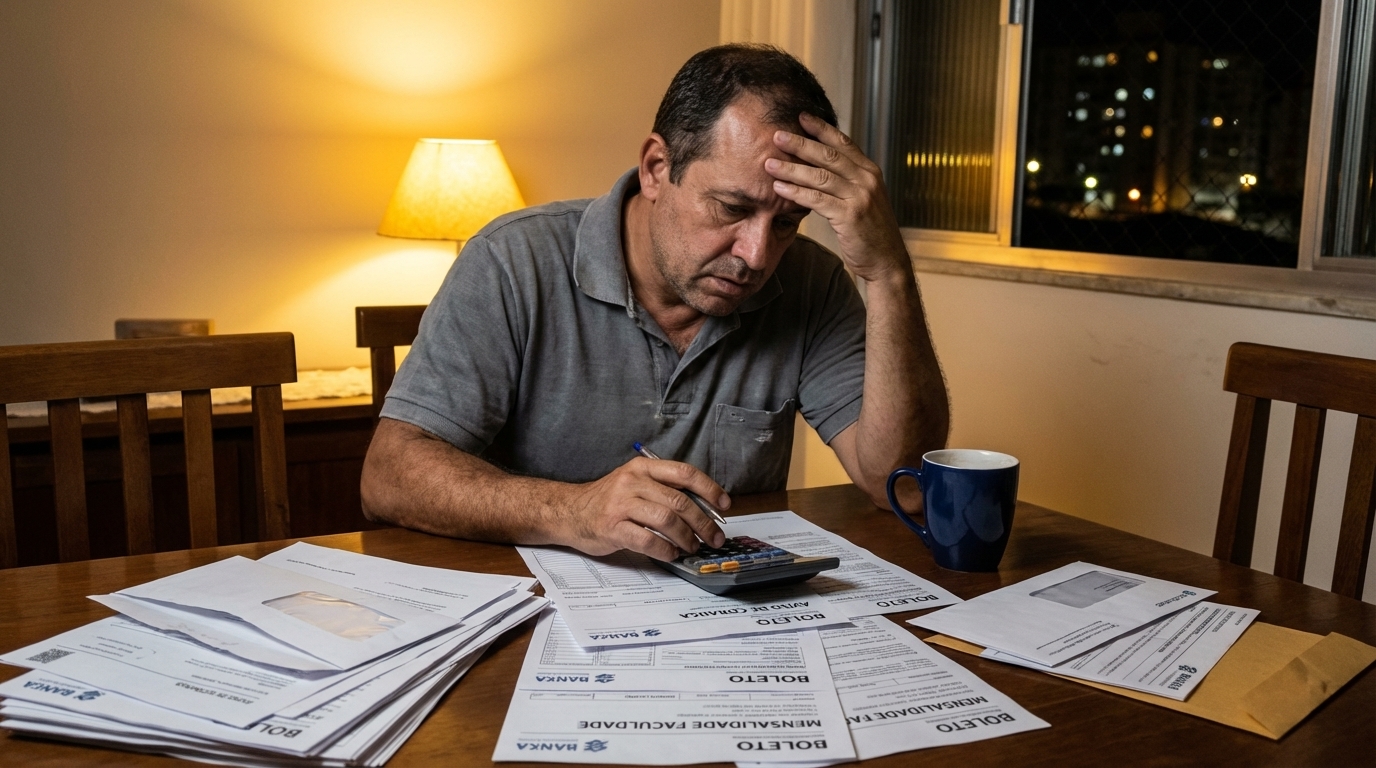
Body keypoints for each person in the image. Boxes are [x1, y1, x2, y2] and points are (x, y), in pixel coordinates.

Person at [360, 44, 948, 563]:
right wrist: (575, 510)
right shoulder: (511, 260)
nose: (756, 254)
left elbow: (904, 483)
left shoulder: (811, 283)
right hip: (531, 610)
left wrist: (888, 272)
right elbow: (389, 475)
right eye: (732, 209)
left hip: (729, 620)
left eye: (789, 222)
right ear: (656, 168)